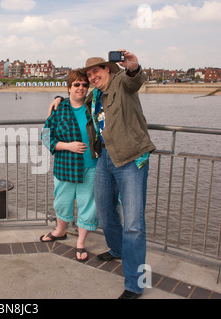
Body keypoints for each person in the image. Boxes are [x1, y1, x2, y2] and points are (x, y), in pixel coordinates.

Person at [48, 50, 156, 299]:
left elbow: (134, 80)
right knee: (104, 212)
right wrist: (58, 99)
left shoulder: (121, 82)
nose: (92, 76)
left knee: (134, 225)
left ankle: (135, 283)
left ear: (108, 69)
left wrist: (134, 67)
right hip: (106, 158)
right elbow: (75, 101)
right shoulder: (94, 96)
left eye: (97, 71)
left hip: (131, 158)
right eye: (89, 74)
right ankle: (117, 250)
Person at [39, 70, 98, 263]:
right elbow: (46, 136)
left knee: (87, 204)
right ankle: (60, 231)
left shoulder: (94, 107)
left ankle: (80, 242)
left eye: (84, 85)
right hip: (65, 165)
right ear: (69, 88)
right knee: (62, 201)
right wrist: (68, 146)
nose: (81, 88)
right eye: (76, 85)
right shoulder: (59, 109)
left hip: (91, 166)